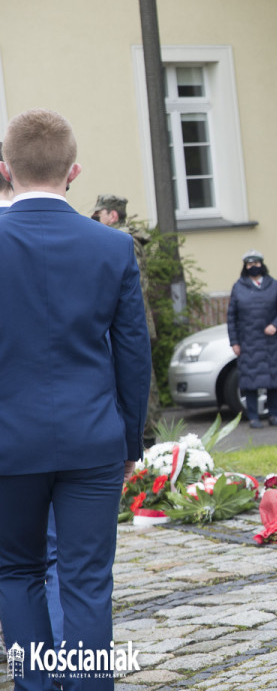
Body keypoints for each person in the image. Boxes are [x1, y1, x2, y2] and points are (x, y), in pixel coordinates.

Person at [0, 108, 152, 691]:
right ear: (74, 171)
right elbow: (132, 355)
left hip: (9, 442)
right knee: (88, 581)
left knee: (17, 573)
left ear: (5, 169)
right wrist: (131, 439)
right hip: (92, 439)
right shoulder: (112, 247)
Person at [92, 194, 160, 439]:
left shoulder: (124, 242)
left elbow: (134, 288)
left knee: (140, 376)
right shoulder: (120, 240)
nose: (96, 220)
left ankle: (146, 432)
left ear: (113, 215)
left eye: (99, 214)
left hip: (131, 321)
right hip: (132, 320)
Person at [227, 249, 277, 428]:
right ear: (245, 266)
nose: (253, 267)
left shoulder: (273, 284)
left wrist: (275, 325)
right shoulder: (238, 287)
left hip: (271, 341)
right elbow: (231, 317)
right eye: (249, 264)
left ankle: (274, 415)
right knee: (250, 381)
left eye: (256, 263)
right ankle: (253, 417)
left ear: (262, 264)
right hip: (248, 341)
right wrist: (234, 342)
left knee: (274, 380)